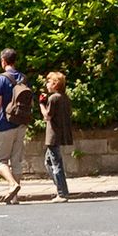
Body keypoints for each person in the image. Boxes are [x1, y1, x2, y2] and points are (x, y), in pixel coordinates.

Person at [0, 46, 31, 204]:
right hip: (21, 123)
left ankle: (12, 185)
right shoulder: (23, 78)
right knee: (16, 160)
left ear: (3, 61)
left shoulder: (1, 79)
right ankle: (15, 198)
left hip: (5, 124)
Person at [41, 70, 74, 202]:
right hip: (60, 134)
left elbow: (47, 116)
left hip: (53, 135)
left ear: (55, 84)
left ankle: (62, 192)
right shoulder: (65, 98)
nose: (47, 84)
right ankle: (60, 188)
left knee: (55, 163)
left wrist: (41, 104)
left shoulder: (53, 98)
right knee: (49, 162)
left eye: (49, 82)